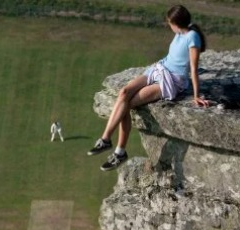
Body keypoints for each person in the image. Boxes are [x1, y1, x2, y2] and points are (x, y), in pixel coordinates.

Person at [88, 5, 208, 172]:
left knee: (128, 104)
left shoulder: (192, 37)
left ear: (176, 22)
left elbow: (194, 69)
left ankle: (120, 152)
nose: (169, 26)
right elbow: (173, 56)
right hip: (158, 70)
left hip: (171, 80)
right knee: (124, 92)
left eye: (170, 23)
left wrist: (196, 95)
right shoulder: (179, 33)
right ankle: (105, 139)